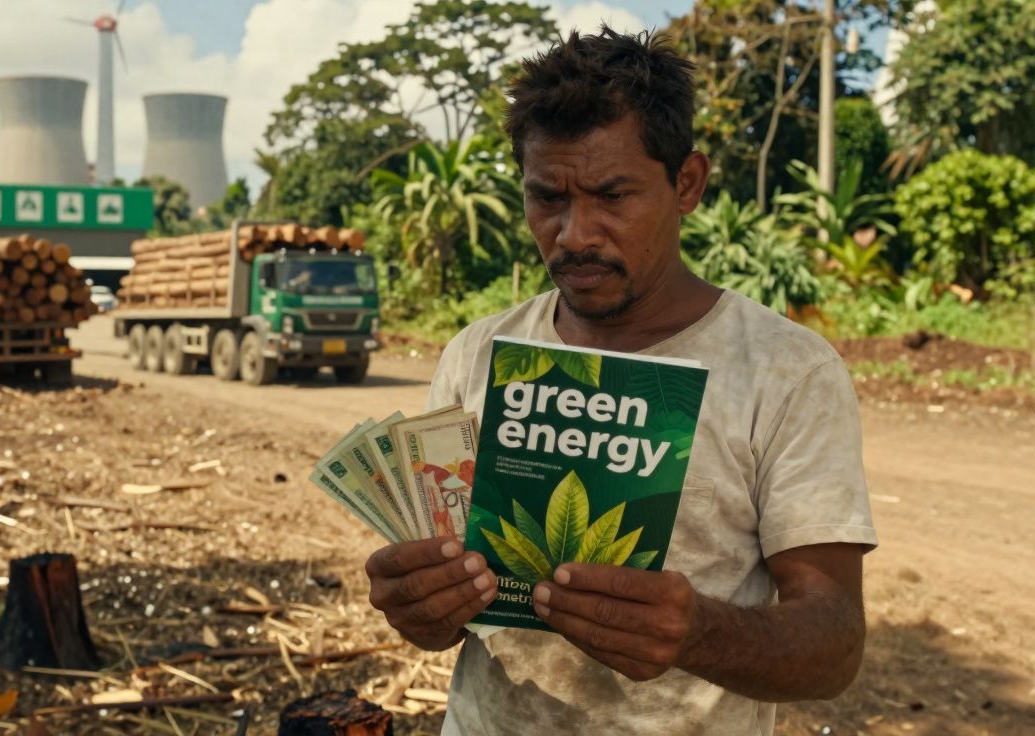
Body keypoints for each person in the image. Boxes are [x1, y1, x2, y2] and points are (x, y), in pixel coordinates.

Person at [363, 27, 877, 736]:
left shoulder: (787, 372)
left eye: (612, 195)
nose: (575, 234)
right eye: (547, 197)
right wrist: (419, 604)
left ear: (687, 183)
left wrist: (698, 633)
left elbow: (835, 646)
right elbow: (443, 626)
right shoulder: (477, 354)